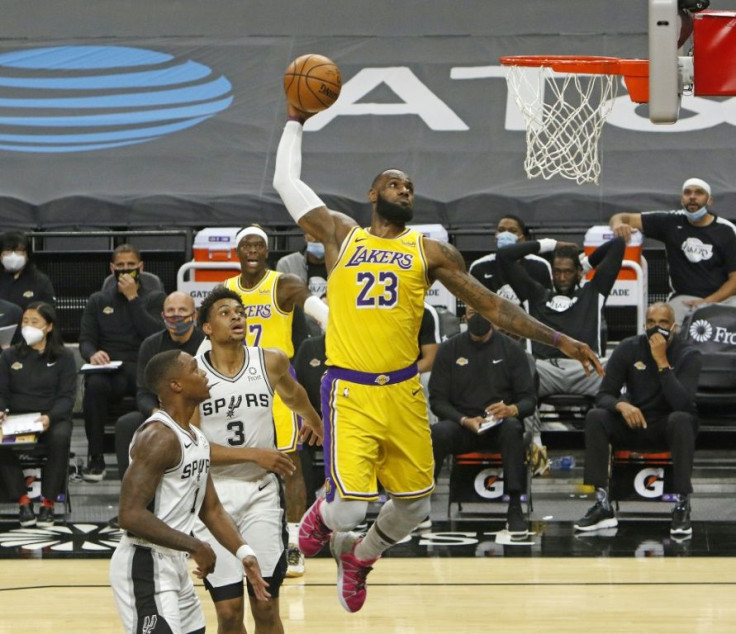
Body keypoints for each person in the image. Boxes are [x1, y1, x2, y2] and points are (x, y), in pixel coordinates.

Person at [272, 104, 601, 613]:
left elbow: (493, 306)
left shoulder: (430, 252)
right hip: (351, 389)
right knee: (348, 508)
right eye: (394, 184)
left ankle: (359, 559)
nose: (404, 189)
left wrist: (559, 341)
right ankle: (322, 519)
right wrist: (296, 118)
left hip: (403, 392)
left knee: (414, 506)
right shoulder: (341, 234)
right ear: (372, 194)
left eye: (409, 186)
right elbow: (284, 180)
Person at [109, 349, 270, 634]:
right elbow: (129, 515)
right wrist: (195, 545)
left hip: (174, 564)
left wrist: (243, 552)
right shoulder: (159, 437)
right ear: (176, 385)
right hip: (144, 563)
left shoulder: (197, 439)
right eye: (195, 369)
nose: (204, 374)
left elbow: (212, 509)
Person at [192, 286, 322, 634]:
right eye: (224, 312)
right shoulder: (192, 375)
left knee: (265, 607)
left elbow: (295, 395)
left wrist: (315, 421)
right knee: (230, 614)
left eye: (240, 310)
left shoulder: (271, 360)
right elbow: (193, 448)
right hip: (213, 499)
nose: (236, 315)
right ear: (206, 328)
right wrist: (255, 453)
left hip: (261, 495)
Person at [223, 225, 329, 578]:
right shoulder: (226, 290)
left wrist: (326, 316)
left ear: (266, 251)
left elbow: (304, 297)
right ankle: (232, 547)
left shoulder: (280, 284)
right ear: (237, 252)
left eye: (258, 245)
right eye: (246, 246)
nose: (252, 250)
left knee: (290, 466)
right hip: (234, 387)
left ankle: (295, 545)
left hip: (274, 386)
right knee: (230, 467)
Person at [574, 302, 702, 537]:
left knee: (683, 419)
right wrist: (621, 405)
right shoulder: (628, 348)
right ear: (644, 325)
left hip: (668, 425)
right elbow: (603, 395)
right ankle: (602, 504)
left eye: (663, 323)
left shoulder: (689, 354)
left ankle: (682, 504)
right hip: (634, 422)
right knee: (596, 416)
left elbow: (683, 403)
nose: (657, 328)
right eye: (651, 322)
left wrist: (662, 362)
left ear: (673, 327)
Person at [429, 306, 537, 536]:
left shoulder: (512, 350)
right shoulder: (449, 349)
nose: (477, 316)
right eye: (471, 312)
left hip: (499, 425)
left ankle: (515, 506)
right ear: (464, 316)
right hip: (464, 425)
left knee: (513, 428)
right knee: (437, 432)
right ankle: (420, 507)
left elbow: (529, 400)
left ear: (494, 315)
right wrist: (464, 419)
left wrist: (510, 409)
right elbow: (437, 400)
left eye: (483, 311)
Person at [496, 234, 625, 400]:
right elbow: (504, 256)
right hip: (544, 369)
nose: (562, 278)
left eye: (568, 272)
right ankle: (526, 427)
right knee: (521, 367)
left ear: (578, 272)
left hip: (586, 370)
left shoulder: (594, 292)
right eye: (557, 272)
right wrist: (550, 244)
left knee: (617, 367)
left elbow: (618, 244)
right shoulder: (535, 295)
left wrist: (586, 264)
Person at [78, 244, 166, 482]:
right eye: (120, 266)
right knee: (94, 385)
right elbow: (85, 340)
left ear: (141, 267)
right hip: (113, 370)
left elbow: (157, 335)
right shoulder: (98, 300)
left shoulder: (156, 298)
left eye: (131, 266)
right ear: (112, 269)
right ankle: (96, 459)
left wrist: (133, 299)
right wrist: (92, 354)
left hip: (144, 368)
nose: (125, 270)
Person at [610, 177, 736, 324]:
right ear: (682, 199)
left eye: (699, 193)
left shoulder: (727, 231)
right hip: (684, 300)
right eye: (687, 193)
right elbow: (622, 217)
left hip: (723, 299)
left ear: (709, 200)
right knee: (662, 323)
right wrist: (618, 224)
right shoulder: (670, 221)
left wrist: (707, 303)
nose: (692, 197)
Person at [0, 302, 76, 528]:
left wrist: (49, 418)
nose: (28, 326)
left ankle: (48, 503)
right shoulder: (9, 356)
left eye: (35, 322)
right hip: (16, 417)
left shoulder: (64, 357)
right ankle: (23, 502)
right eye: (25, 321)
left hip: (50, 418)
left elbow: (67, 398)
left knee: (60, 437)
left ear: (49, 327)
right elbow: (1, 392)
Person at [114, 291, 205, 480]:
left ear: (194, 315)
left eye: (182, 310)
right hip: (161, 411)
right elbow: (143, 392)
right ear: (163, 316)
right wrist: (156, 413)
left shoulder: (206, 344)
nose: (175, 315)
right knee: (126, 424)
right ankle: (133, 499)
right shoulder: (150, 345)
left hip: (199, 410)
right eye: (170, 311)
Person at [469, 214, 553, 309]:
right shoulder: (479, 266)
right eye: (501, 230)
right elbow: (472, 306)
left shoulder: (540, 265)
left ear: (523, 238)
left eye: (512, 231)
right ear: (495, 237)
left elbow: (547, 305)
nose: (505, 234)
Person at [0, 231, 56, 312]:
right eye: (8, 250)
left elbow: (49, 313)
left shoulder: (40, 281)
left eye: (18, 250)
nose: (13, 255)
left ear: (27, 255)